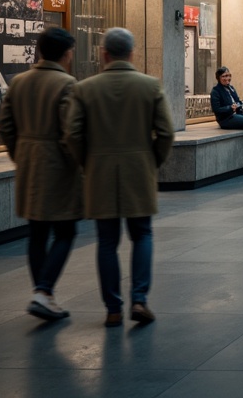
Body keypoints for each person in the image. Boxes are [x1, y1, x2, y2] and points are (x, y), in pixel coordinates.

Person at [65, 27, 174, 327]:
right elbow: (166, 132)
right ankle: (139, 299)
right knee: (142, 235)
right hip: (139, 170)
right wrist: (152, 160)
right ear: (132, 53)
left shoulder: (85, 88)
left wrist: (88, 162)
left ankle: (113, 307)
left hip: (100, 173)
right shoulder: (150, 86)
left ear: (104, 53)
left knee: (106, 241)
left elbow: (72, 134)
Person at [0, 26, 80, 321]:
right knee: (66, 231)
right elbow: (71, 132)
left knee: (37, 232)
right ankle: (44, 291)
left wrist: (20, 154)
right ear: (66, 53)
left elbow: (5, 126)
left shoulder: (18, 82)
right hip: (57, 167)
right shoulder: (67, 84)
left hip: (29, 164)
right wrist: (78, 163)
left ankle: (43, 293)